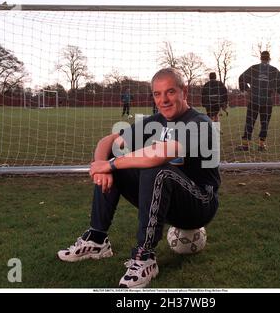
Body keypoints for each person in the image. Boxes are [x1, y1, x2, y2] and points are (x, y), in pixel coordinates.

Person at [57, 68, 220, 288]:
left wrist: (111, 163)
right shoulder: (156, 121)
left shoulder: (200, 123)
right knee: (116, 159)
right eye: (157, 94)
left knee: (155, 167)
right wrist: (102, 168)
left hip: (200, 204)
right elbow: (107, 141)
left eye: (170, 92)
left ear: (184, 91)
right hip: (169, 202)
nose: (163, 100)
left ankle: (145, 256)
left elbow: (161, 154)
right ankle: (97, 239)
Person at [238, 51, 280, 151]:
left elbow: (241, 78)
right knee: (264, 123)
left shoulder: (254, 68)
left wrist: (247, 89)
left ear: (261, 58)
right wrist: (277, 90)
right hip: (267, 101)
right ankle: (261, 145)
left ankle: (245, 145)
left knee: (249, 122)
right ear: (269, 58)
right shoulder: (273, 70)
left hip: (254, 100)